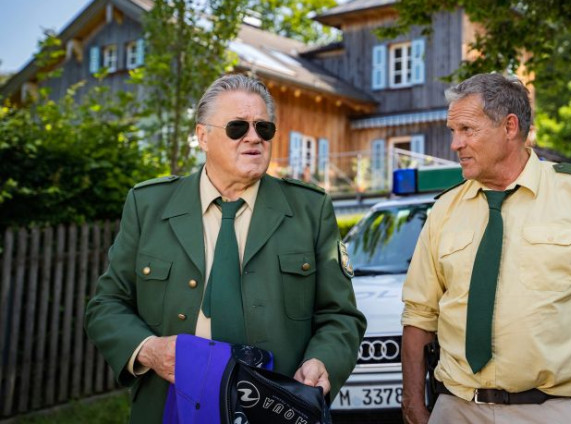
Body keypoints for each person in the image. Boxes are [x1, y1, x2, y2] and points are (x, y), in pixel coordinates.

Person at [85, 74, 366, 423]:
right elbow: (106, 305)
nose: (254, 137)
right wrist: (149, 350)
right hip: (172, 406)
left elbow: (340, 315)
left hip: (274, 409)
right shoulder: (149, 205)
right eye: (237, 127)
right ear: (203, 136)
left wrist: (321, 360)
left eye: (264, 128)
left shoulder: (309, 209)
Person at [400, 73, 571, 424]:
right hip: (455, 409)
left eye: (467, 130)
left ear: (509, 127)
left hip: (548, 411)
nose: (455, 144)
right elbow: (418, 315)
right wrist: (412, 402)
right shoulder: (445, 209)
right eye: (453, 131)